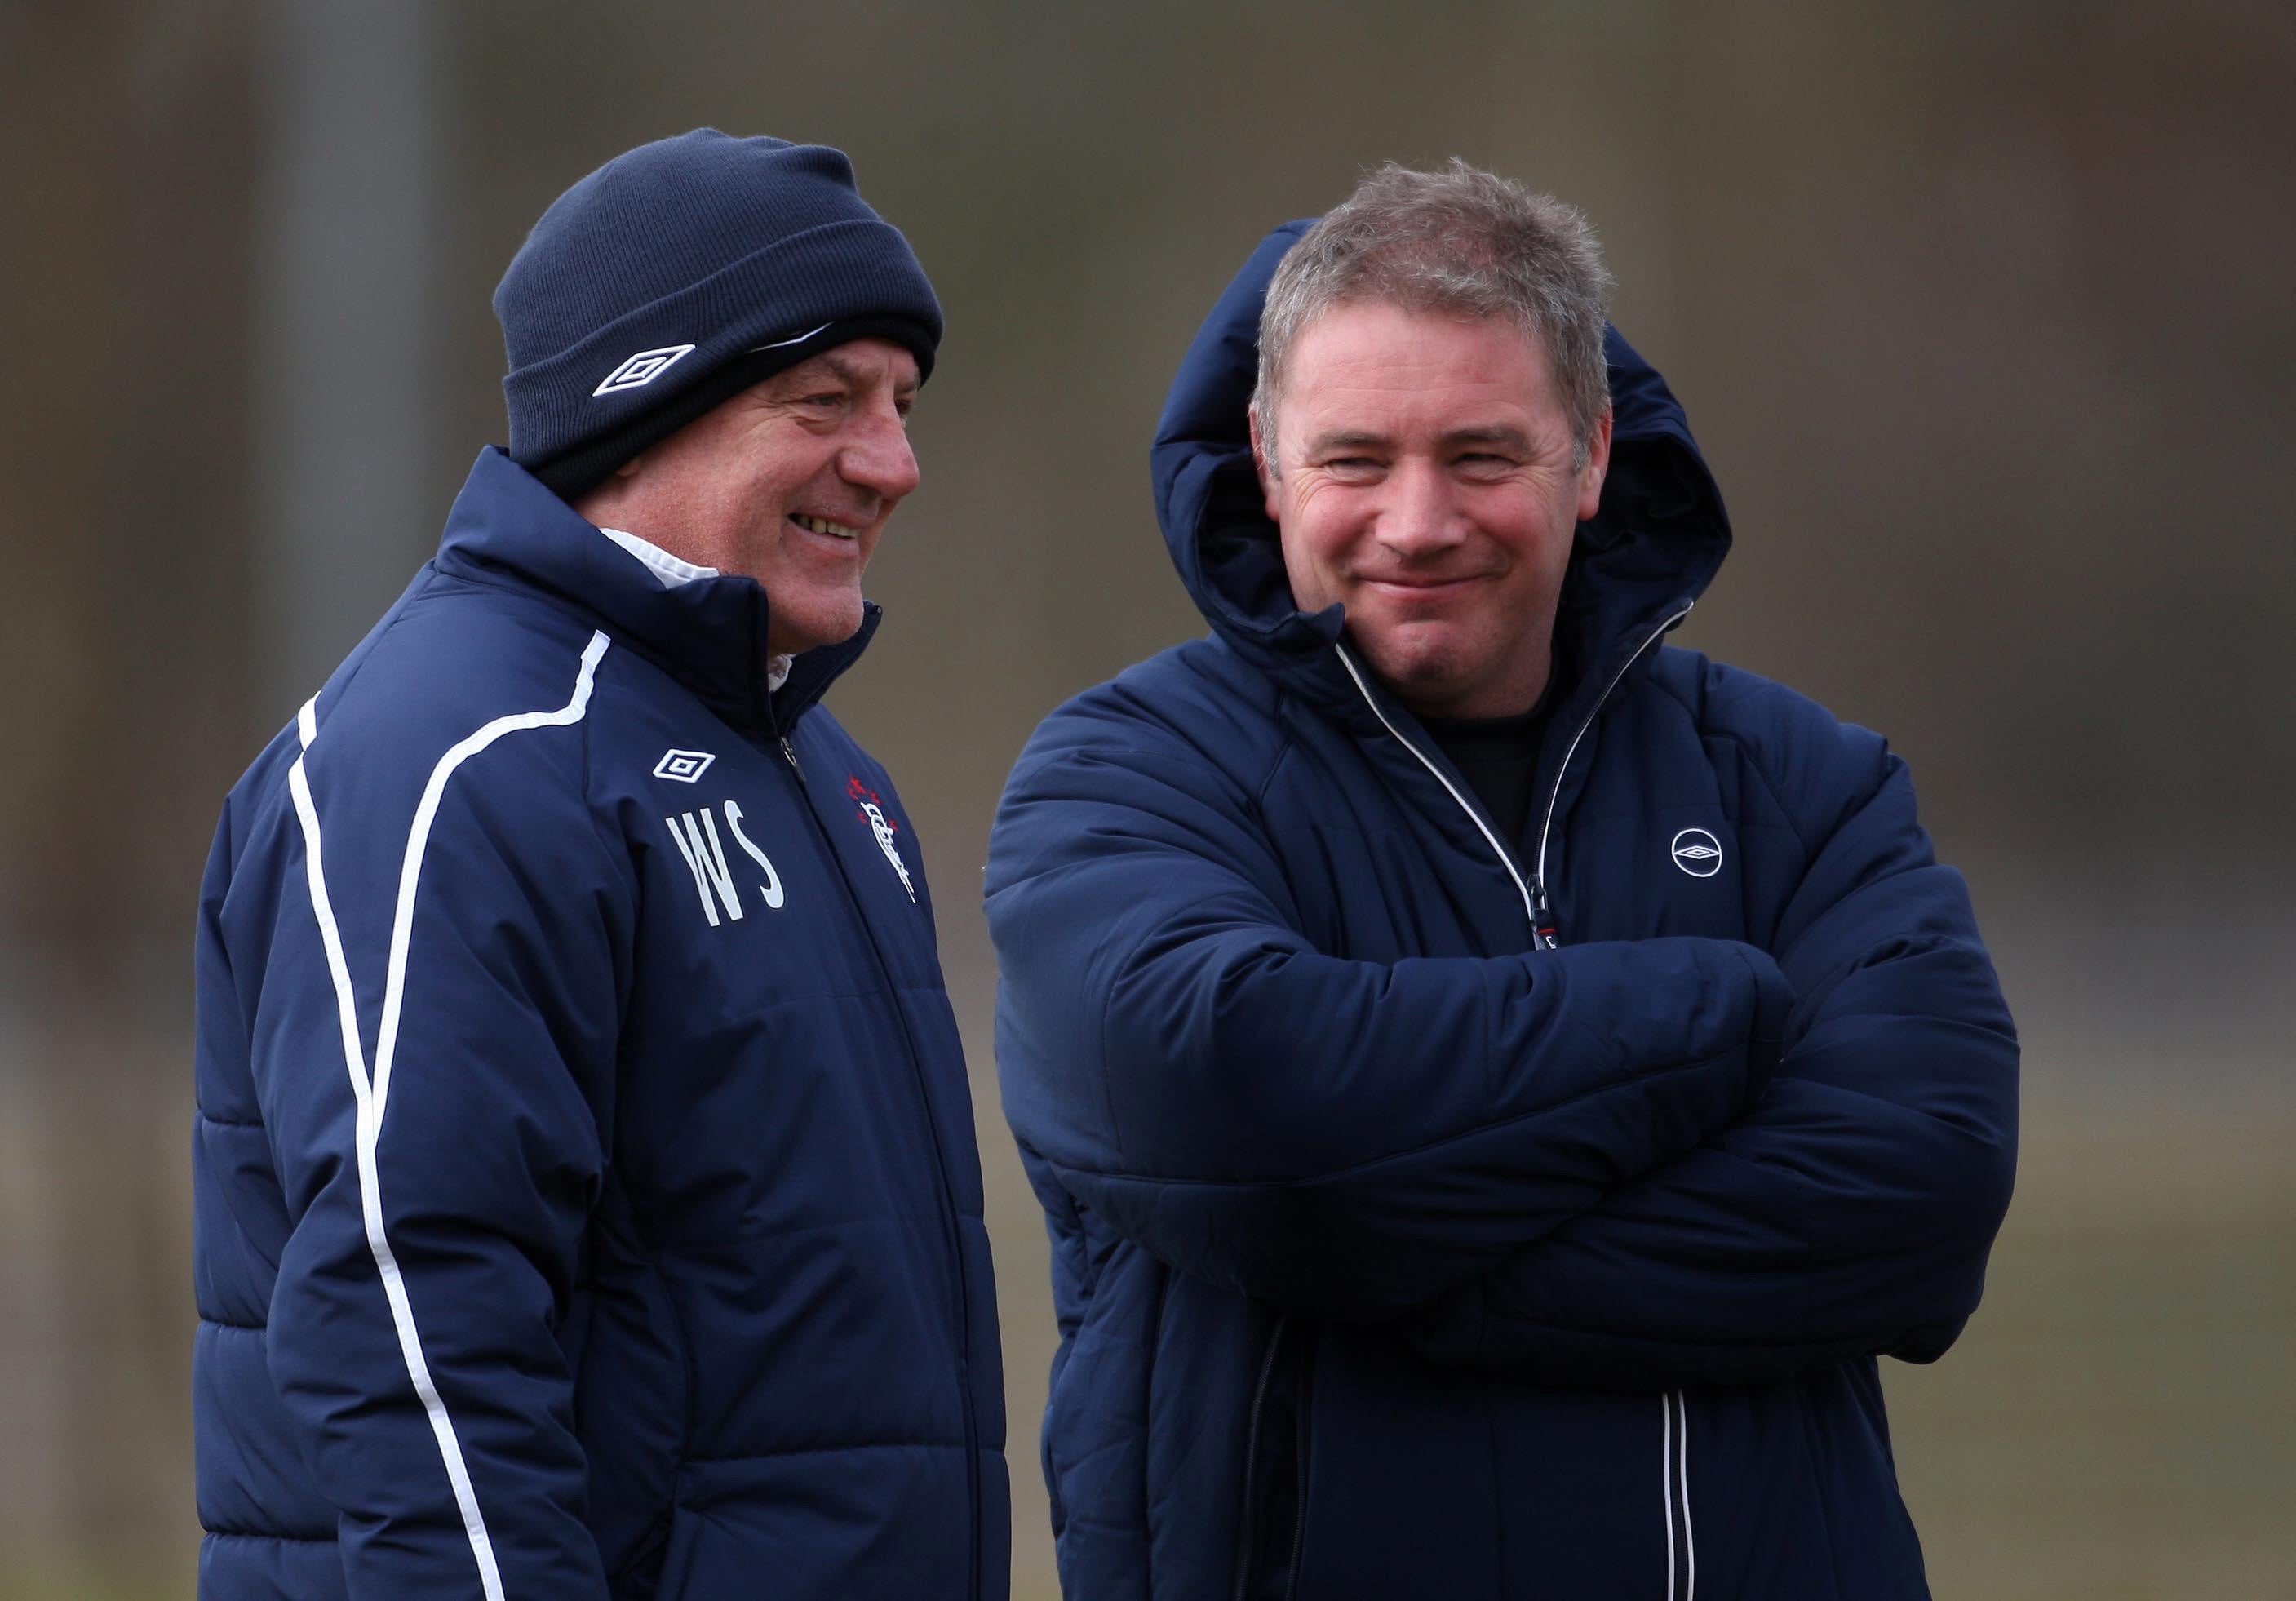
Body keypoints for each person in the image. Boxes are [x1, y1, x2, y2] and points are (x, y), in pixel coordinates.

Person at [986, 161, 2017, 1600]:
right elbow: (1235, 1096)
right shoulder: (1126, 776)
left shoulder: (1799, 782)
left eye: (1480, 456)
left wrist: (1380, 1253)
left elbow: (1921, 1186)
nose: (1415, 521)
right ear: (1267, 462)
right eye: (1353, 461)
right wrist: (1712, 1012)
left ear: (1589, 458)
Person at [193, 131, 1006, 1600]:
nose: (892, 461)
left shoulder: (831, 779)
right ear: (637, 415)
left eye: (899, 402)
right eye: (825, 401)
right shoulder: (452, 760)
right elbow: (417, 1331)